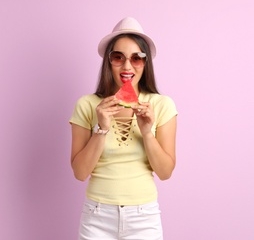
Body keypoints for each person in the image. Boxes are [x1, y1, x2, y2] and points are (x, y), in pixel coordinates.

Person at [69, 16, 178, 240]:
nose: (127, 66)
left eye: (136, 58)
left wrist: (147, 133)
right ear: (108, 62)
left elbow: (165, 172)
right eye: (118, 57)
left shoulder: (161, 105)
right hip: (97, 216)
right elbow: (80, 173)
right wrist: (102, 128)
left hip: (144, 217)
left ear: (145, 63)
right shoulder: (88, 104)